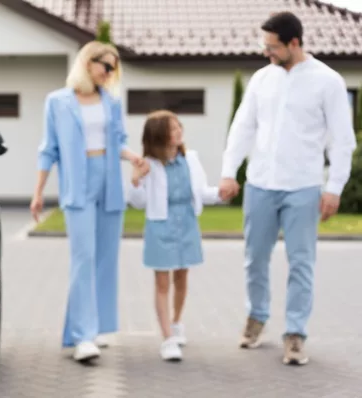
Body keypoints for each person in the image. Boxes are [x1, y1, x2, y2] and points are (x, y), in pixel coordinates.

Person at [219, 11, 356, 365]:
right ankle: (257, 317)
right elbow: (242, 127)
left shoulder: (328, 81)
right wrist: (228, 171)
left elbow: (342, 141)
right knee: (254, 260)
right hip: (261, 185)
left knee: (301, 263)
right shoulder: (262, 80)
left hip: (303, 188)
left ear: (294, 43)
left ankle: (295, 333)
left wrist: (334, 188)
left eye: (273, 46)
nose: (267, 52)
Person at [30, 40, 147, 363]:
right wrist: (38, 193)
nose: (110, 73)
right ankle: (82, 336)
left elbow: (119, 141)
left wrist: (134, 157)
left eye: (114, 68)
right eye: (106, 66)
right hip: (77, 185)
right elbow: (48, 150)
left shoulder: (111, 103)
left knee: (105, 259)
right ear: (87, 62)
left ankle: (94, 328)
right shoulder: (57, 102)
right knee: (83, 258)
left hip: (110, 183)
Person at [127, 110, 222, 361]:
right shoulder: (149, 164)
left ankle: (177, 323)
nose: (179, 131)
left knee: (182, 275)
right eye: (172, 128)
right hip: (160, 227)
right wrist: (135, 180)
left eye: (179, 126)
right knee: (162, 282)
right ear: (159, 135)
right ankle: (168, 338)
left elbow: (201, 192)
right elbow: (137, 202)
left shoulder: (190, 159)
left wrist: (222, 193)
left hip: (187, 225)